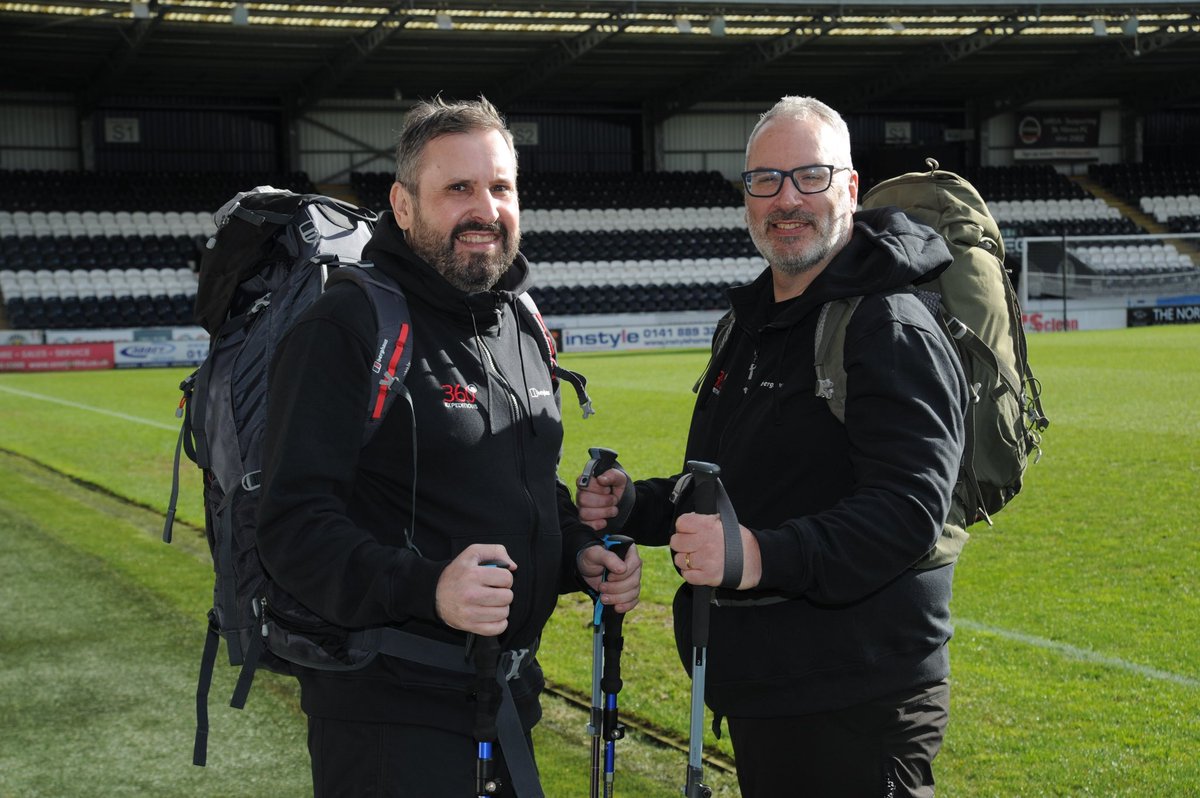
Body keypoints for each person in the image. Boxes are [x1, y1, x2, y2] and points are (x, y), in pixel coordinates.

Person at [577, 95, 969, 797]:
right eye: (766, 180)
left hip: (854, 699)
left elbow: (908, 512)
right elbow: (731, 489)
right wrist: (638, 503)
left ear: (848, 189)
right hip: (767, 691)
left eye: (809, 177)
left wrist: (760, 555)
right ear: (747, 197)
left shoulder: (888, 322)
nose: (787, 199)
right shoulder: (752, 319)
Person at [256, 95, 641, 798]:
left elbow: (518, 488)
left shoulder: (520, 323)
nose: (484, 209)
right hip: (388, 719)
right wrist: (428, 587)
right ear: (403, 206)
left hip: (506, 695)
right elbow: (290, 529)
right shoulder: (345, 324)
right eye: (457, 188)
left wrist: (575, 553)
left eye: (500, 187)